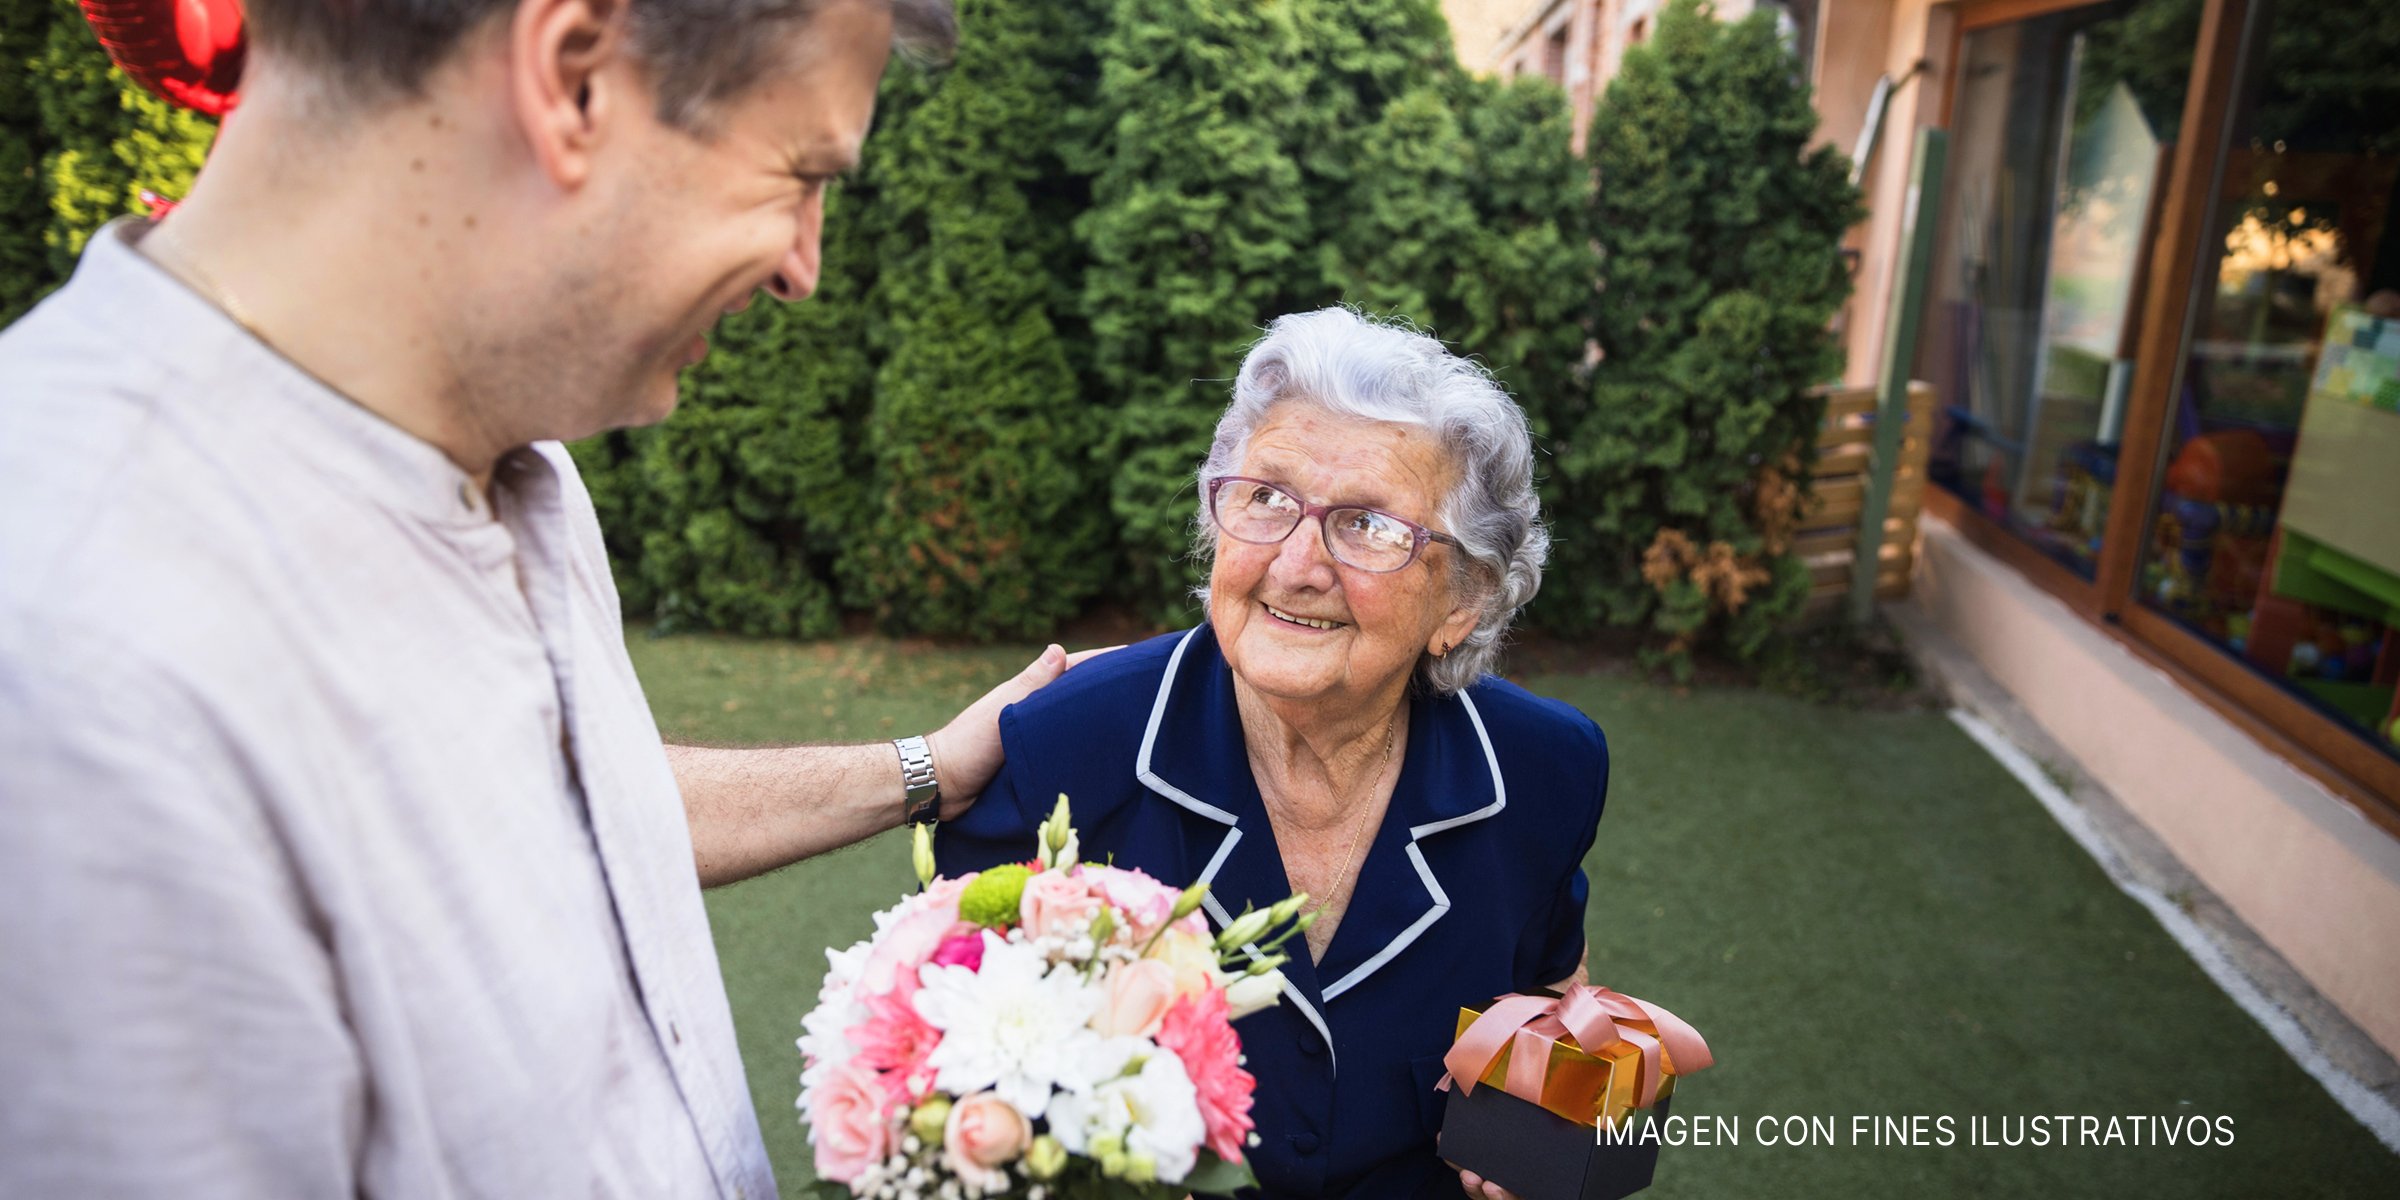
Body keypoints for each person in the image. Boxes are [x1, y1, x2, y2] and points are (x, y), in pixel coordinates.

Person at [0, 1, 1103, 1195]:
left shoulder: (510, 458)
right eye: (799, 174)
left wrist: (930, 766)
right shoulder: (73, 669)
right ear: (572, 76)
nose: (804, 267)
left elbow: (572, 805)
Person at [936, 307, 1608, 1200]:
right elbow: (935, 1055)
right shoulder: (1067, 747)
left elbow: (1566, 1007)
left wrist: (1559, 1126)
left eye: (1369, 523)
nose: (1297, 562)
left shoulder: (1542, 767)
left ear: (1465, 600)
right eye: (1268, 498)